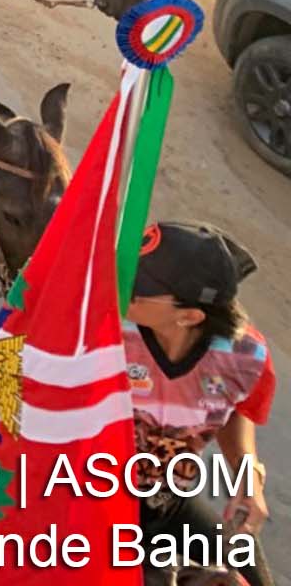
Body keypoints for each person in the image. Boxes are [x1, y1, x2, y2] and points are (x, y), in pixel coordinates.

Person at [122, 222, 274, 584]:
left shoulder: (246, 357)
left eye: (139, 288)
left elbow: (236, 408)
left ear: (189, 315)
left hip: (167, 506)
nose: (121, 285)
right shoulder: (102, 329)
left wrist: (247, 478)